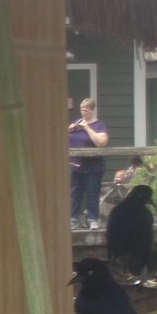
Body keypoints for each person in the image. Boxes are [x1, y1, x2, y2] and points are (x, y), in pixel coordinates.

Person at [67, 97, 108, 228]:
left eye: (86, 110)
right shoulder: (76, 122)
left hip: (93, 167)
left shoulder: (99, 125)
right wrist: (68, 129)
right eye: (81, 110)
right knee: (76, 193)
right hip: (76, 166)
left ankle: (93, 219)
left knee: (92, 193)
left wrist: (87, 129)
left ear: (92, 110)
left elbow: (101, 143)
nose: (83, 113)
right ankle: (73, 219)